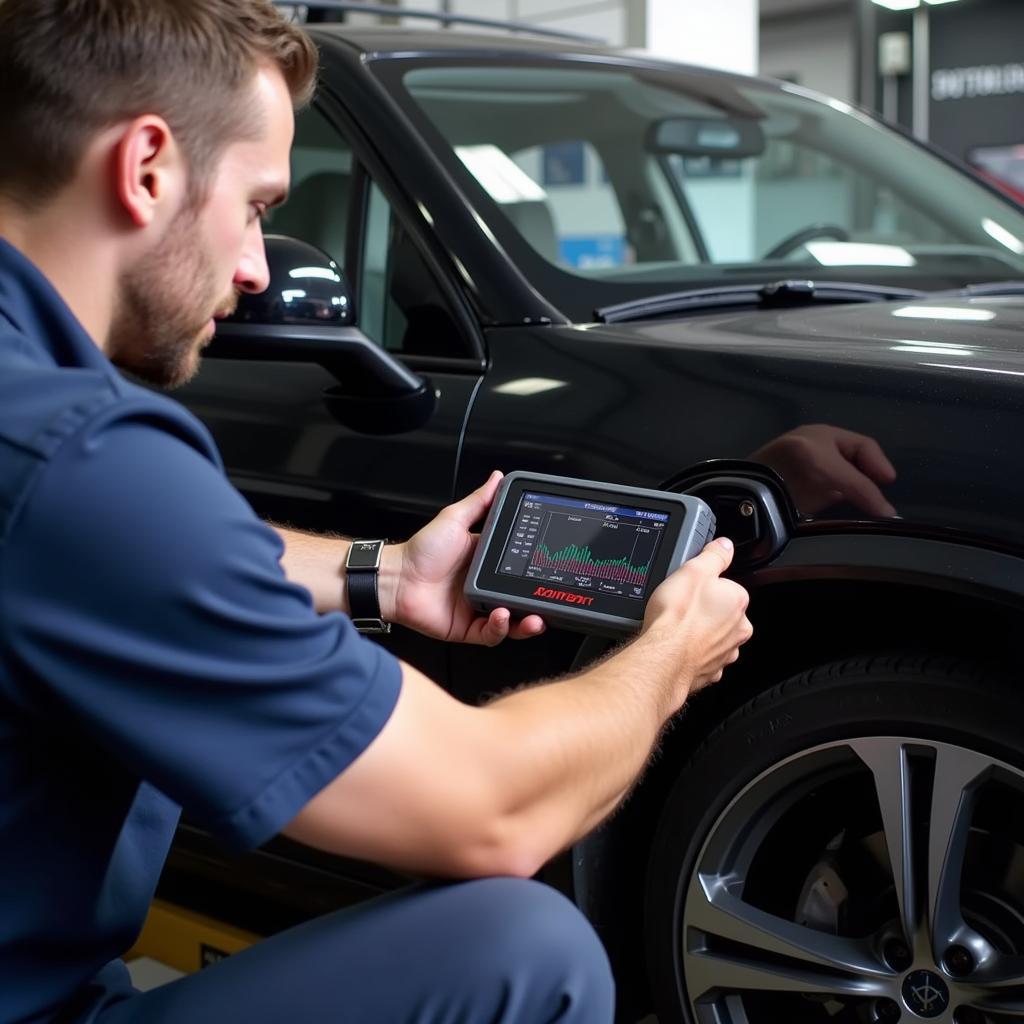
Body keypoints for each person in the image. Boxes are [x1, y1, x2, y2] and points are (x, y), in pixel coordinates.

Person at [0, 3, 753, 1022]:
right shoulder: (81, 451)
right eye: (261, 204)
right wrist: (671, 655)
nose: (260, 266)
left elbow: (103, 558)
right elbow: (494, 812)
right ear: (145, 168)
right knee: (516, 944)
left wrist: (385, 574)